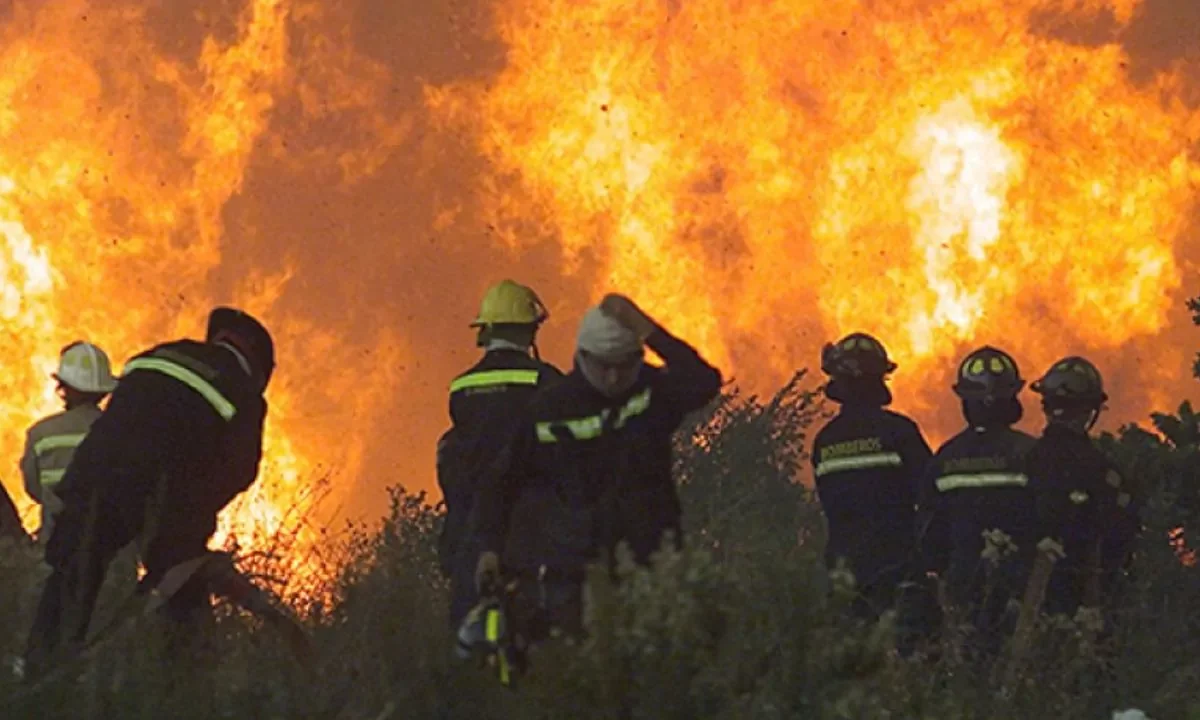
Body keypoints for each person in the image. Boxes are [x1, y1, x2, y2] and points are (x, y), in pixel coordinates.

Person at [24, 306, 274, 678]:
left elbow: (117, 423)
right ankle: (183, 683)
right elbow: (238, 470)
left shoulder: (157, 354)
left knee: (73, 569)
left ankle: (41, 675)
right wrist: (192, 522)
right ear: (256, 358)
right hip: (161, 489)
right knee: (180, 578)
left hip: (94, 473)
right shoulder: (241, 388)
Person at [471, 293, 722, 640]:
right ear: (582, 357)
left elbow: (703, 381)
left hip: (653, 562)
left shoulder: (651, 392)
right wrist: (489, 548)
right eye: (604, 365)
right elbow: (501, 483)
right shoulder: (550, 409)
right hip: (578, 576)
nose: (614, 377)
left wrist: (645, 327)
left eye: (624, 364)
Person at [439, 279, 563, 631]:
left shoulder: (460, 389)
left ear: (485, 330)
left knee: (470, 640)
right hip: (529, 536)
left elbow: (455, 460)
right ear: (530, 330)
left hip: (470, 537)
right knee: (533, 641)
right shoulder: (547, 382)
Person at [914, 346, 1037, 657]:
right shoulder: (1031, 454)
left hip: (962, 587)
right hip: (1023, 590)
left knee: (968, 667)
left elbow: (928, 533)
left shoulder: (946, 457)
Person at [810, 332, 932, 622]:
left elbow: (829, 504)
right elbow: (929, 494)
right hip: (898, 569)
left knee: (855, 659)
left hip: (845, 573)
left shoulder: (825, 441)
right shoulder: (900, 432)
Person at [1026, 356, 1140, 619]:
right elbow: (1121, 537)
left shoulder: (1025, 461)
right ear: (1090, 411)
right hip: (1086, 602)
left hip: (1025, 601)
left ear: (1045, 404)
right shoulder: (1104, 472)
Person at [20, 341, 118, 543]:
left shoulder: (41, 434)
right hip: (112, 555)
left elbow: (35, 489)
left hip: (56, 551)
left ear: (64, 386)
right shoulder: (124, 432)